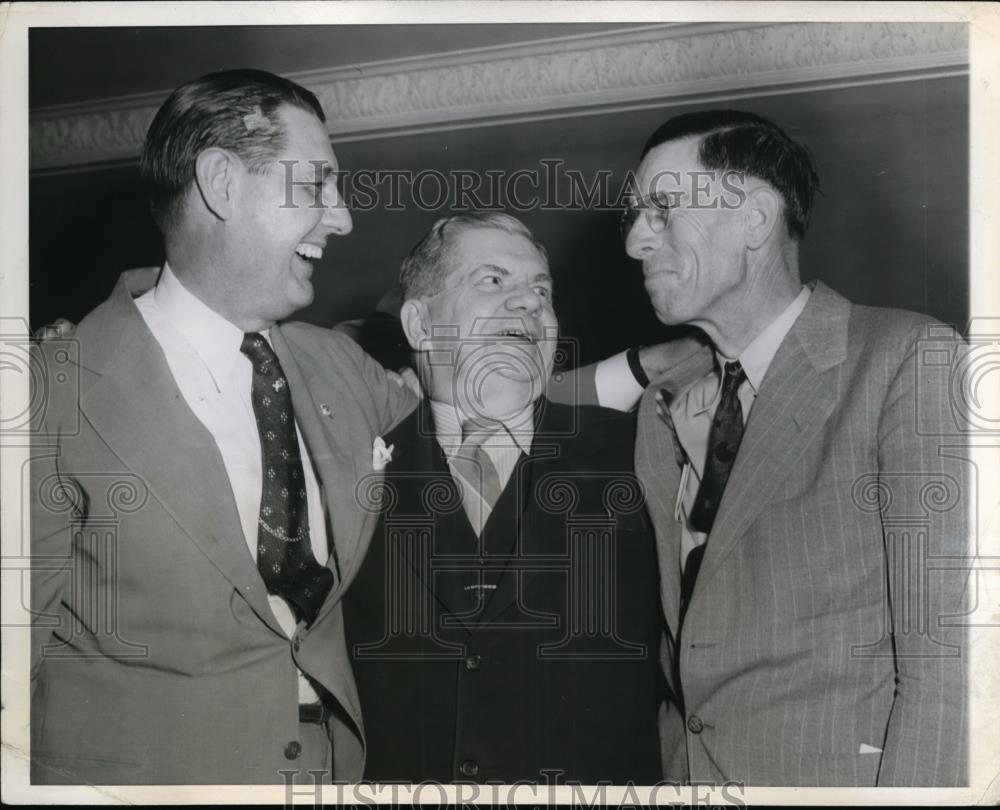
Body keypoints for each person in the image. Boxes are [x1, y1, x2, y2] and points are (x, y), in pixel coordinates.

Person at [29, 68, 417, 785]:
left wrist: (652, 367)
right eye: (316, 185)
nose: (343, 217)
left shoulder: (342, 366)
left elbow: (491, 428)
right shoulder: (51, 388)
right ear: (222, 183)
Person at [624, 109, 969, 786]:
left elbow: (952, 670)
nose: (636, 239)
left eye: (662, 209)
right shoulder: (662, 404)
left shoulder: (910, 361)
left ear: (754, 218)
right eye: (634, 215)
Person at [342, 213, 665, 784]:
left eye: (542, 290)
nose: (529, 304)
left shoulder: (640, 454)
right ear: (419, 323)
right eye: (493, 281)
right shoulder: (345, 471)